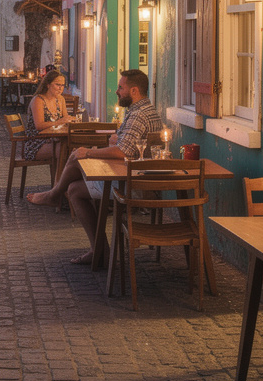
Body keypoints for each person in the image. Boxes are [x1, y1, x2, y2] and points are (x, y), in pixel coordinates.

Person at [26, 69, 164, 266]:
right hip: (138, 178)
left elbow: (122, 152)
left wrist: (89, 152)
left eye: (120, 87)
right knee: (75, 178)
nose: (116, 91)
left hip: (133, 185)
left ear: (134, 91)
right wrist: (116, 140)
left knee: (76, 159)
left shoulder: (138, 115)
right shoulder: (144, 110)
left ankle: (56, 195)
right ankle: (98, 249)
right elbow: (127, 145)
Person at [22, 70, 72, 161]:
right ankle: (61, 175)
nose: (60, 88)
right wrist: (58, 122)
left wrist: (71, 120)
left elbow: (65, 120)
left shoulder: (60, 99)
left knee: (74, 148)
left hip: (55, 140)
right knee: (64, 150)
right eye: (58, 85)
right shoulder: (38, 100)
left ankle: (64, 175)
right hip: (36, 143)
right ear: (48, 84)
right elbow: (39, 125)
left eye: (63, 85)